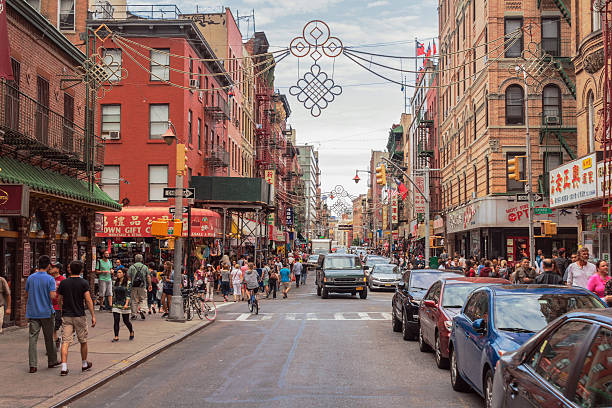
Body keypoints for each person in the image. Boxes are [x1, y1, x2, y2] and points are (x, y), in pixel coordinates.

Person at [57, 260, 95, 376]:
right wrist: (93, 315)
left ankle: (64, 366)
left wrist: (61, 309)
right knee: (83, 340)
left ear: (70, 270)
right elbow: (88, 300)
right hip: (79, 315)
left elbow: (59, 299)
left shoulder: (64, 283)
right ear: (81, 270)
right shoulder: (84, 283)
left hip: (67, 315)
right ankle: (84, 363)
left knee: (65, 341)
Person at [26, 255, 59, 373]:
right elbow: (52, 296)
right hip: (46, 312)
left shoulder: (30, 278)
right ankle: (52, 361)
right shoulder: (50, 279)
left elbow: (27, 293)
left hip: (33, 312)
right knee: (49, 337)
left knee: (32, 338)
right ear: (48, 265)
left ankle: (33, 365)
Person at [111, 268, 134, 342]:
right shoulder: (115, 282)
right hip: (116, 303)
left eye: (120, 272)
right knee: (116, 320)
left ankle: (131, 331)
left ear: (124, 274)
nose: (118, 274)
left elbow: (128, 293)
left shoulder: (128, 283)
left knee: (126, 320)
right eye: (117, 272)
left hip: (124, 303)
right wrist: (111, 302)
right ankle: (116, 336)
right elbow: (113, 293)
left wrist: (126, 304)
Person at [127, 254, 151, 320]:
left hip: (133, 286)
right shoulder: (145, 267)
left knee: (133, 299)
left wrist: (130, 283)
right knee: (143, 298)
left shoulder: (131, 267)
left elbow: (128, 276)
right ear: (142, 259)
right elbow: (148, 276)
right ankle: (142, 309)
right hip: (142, 286)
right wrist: (150, 285)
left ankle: (133, 314)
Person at [49, 263, 65, 350]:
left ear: (58, 269)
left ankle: (56, 341)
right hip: (49, 306)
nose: (51, 268)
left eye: (53, 267)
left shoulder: (62, 279)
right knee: (51, 327)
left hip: (58, 306)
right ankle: (55, 342)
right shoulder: (49, 279)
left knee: (56, 325)